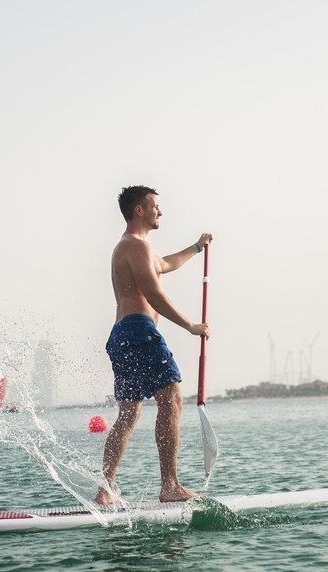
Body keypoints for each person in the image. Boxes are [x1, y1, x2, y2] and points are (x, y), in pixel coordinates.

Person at [95, 185, 212, 505]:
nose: (161, 211)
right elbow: (154, 294)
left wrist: (196, 247)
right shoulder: (135, 246)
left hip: (121, 335)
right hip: (139, 331)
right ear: (139, 211)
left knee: (129, 414)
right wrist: (190, 325)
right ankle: (170, 485)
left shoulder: (131, 248)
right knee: (172, 399)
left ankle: (105, 490)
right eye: (155, 206)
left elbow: (165, 265)